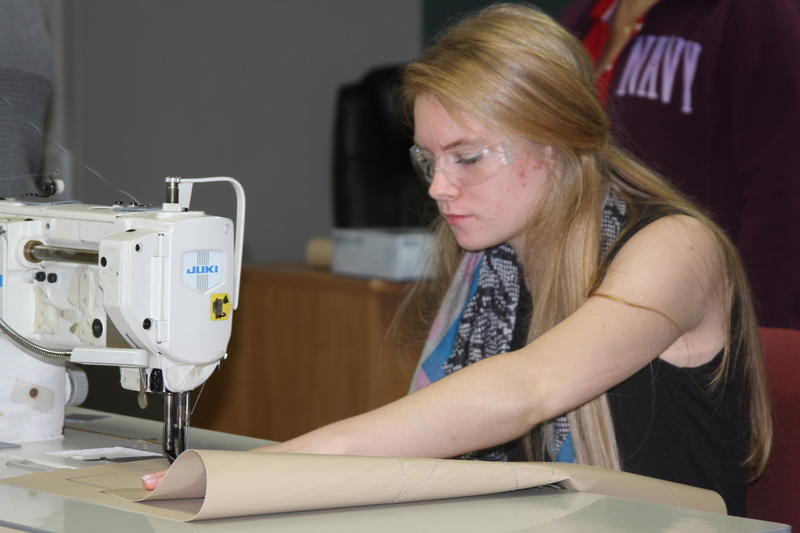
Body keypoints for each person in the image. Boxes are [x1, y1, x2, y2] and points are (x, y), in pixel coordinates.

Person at [142, 3, 771, 517]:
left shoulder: (677, 247)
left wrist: (263, 472)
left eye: (467, 158)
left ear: (555, 144)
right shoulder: (489, 263)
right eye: (428, 160)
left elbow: (530, 389)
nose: (438, 187)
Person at [560, 0, 800, 329]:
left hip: (698, 314)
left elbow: (782, 190)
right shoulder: (584, 15)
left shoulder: (756, 13)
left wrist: (757, 330)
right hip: (594, 298)